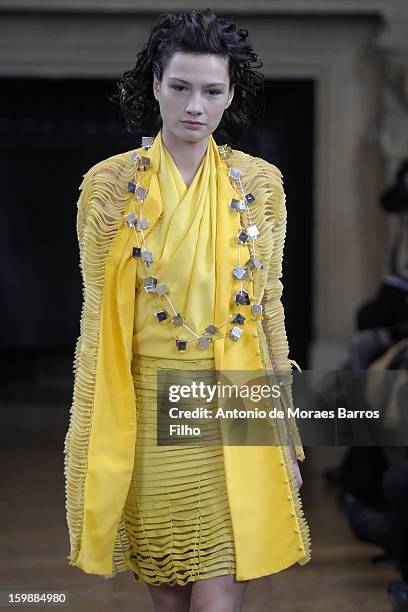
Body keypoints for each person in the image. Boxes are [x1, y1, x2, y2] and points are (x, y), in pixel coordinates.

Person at [63, 9, 311, 612]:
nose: (194, 106)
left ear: (230, 97)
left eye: (211, 91)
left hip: (235, 406)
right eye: (180, 87)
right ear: (155, 86)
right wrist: (85, 448)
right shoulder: (108, 188)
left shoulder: (261, 185)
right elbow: (95, 327)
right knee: (170, 602)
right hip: (147, 419)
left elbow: (269, 311)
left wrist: (286, 433)